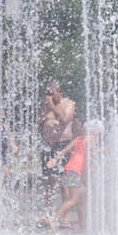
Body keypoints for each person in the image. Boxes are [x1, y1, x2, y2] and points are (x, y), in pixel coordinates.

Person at [45, 119, 89, 232]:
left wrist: (55, 159)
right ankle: (53, 219)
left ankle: (83, 227)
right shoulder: (89, 140)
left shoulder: (78, 139)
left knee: (82, 200)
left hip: (69, 170)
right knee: (73, 199)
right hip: (75, 172)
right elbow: (89, 157)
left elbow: (64, 151)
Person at [38, 81, 75, 211]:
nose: (48, 96)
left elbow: (65, 119)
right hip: (48, 146)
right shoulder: (44, 106)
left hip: (62, 145)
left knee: (64, 181)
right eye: (47, 93)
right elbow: (38, 126)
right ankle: (48, 213)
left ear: (58, 91)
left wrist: (52, 105)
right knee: (48, 180)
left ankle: (64, 215)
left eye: (51, 93)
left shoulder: (69, 103)